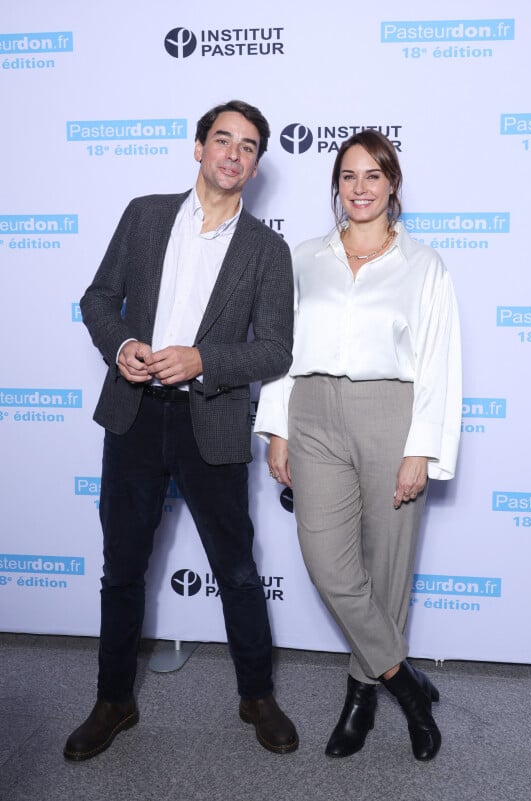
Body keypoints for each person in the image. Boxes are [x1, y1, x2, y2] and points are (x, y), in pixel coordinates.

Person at [64, 100, 298, 761]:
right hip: (135, 416)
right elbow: (98, 299)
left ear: (255, 165)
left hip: (212, 422)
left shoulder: (267, 250)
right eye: (222, 139)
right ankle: (115, 699)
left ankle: (257, 694)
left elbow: (276, 350)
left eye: (248, 146)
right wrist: (123, 344)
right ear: (198, 147)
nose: (233, 153)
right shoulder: (143, 215)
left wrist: (204, 360)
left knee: (236, 568)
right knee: (123, 568)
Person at [254, 130, 461, 761]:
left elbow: (439, 364)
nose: (361, 188)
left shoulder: (424, 265)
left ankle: (361, 696)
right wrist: (278, 425)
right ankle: (407, 685)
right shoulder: (303, 257)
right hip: (313, 411)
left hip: (390, 413)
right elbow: (280, 349)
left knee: (388, 571)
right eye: (349, 176)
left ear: (393, 184)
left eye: (374, 176)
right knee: (328, 564)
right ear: (336, 187)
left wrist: (421, 448)